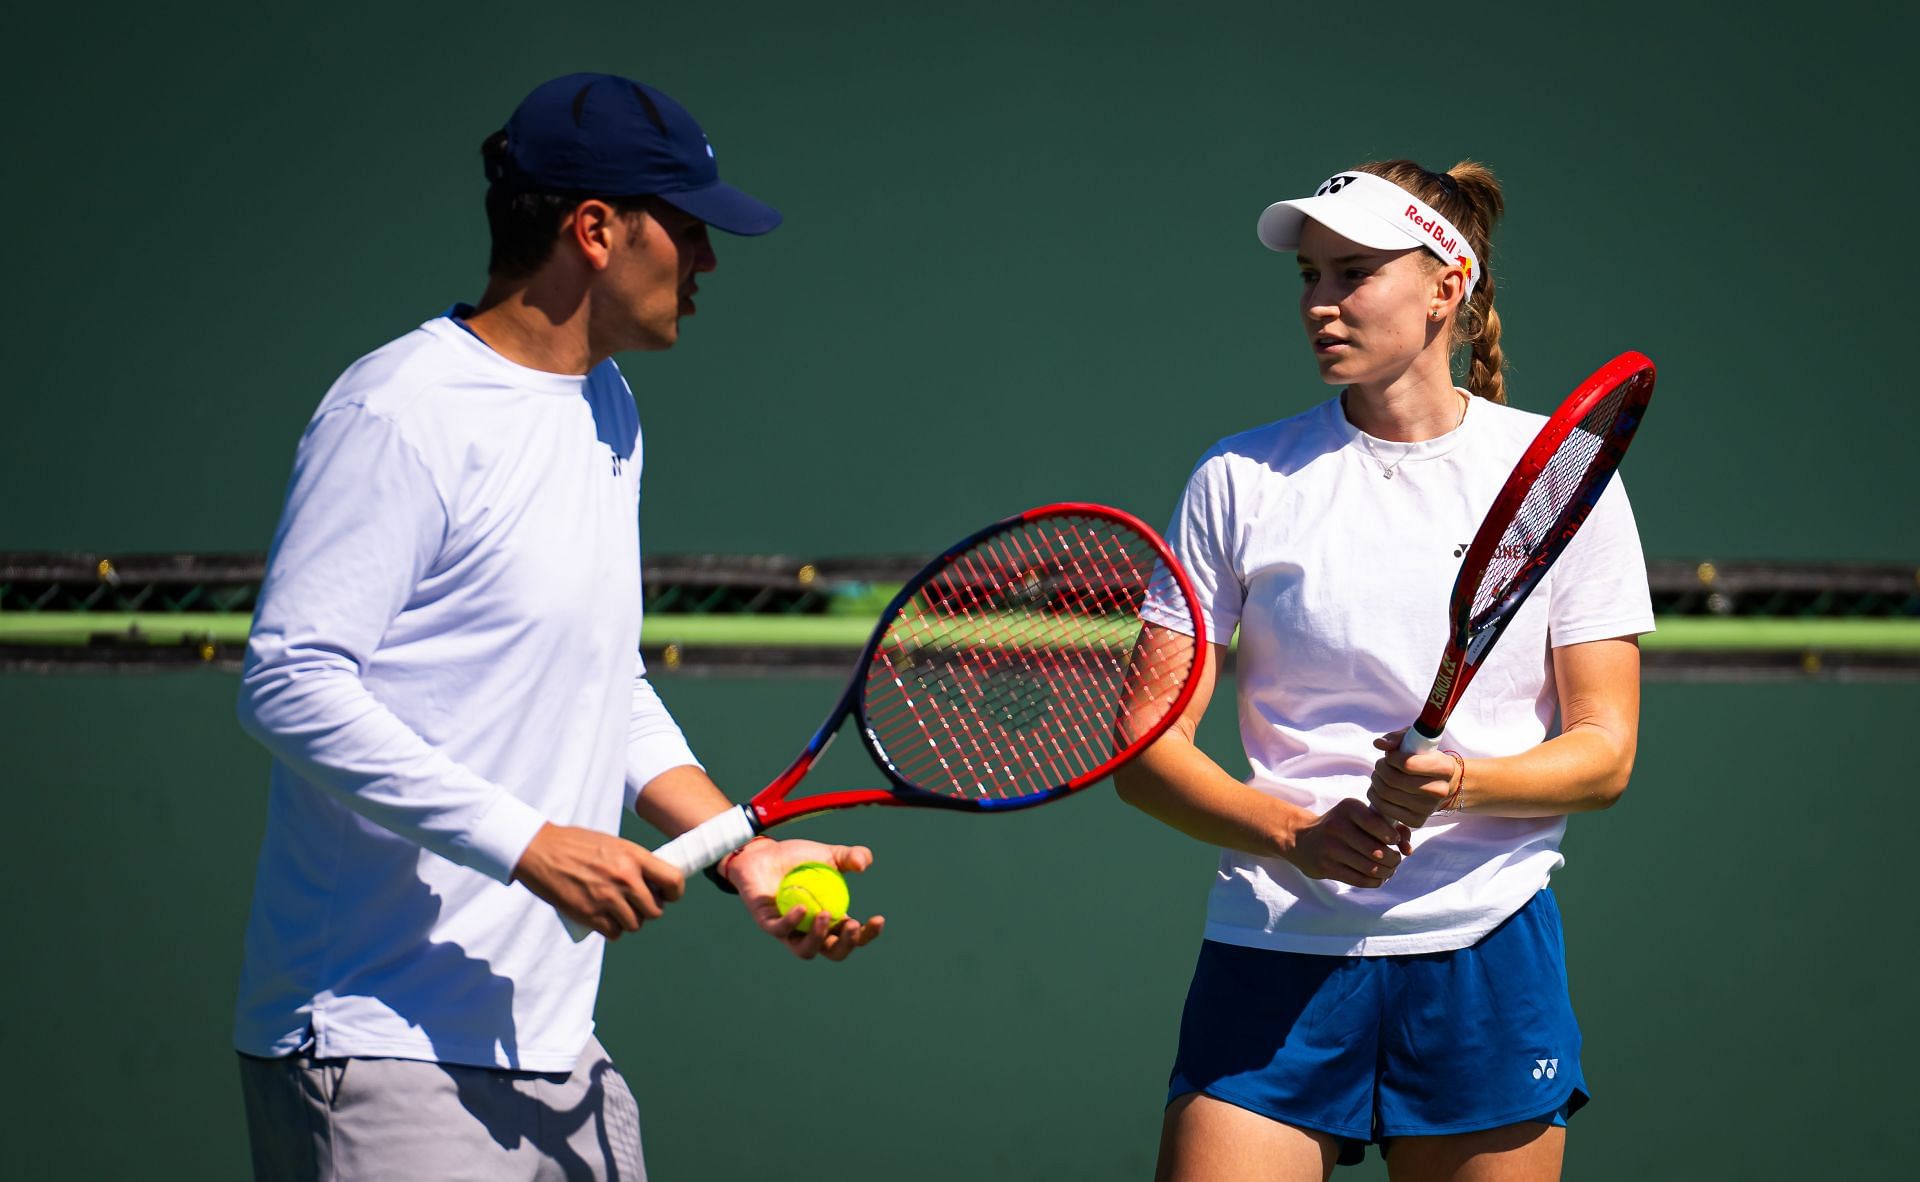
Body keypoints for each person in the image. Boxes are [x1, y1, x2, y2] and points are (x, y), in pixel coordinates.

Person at [231, 73, 883, 1181]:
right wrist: (530, 845)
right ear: (594, 231)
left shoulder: (608, 407)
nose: (710, 262)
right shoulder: (401, 411)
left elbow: (602, 681)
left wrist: (744, 852)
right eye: (687, 230)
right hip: (384, 1051)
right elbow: (290, 681)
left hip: (556, 1054)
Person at [1117, 160, 1652, 1182]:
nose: (1321, 303)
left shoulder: (1565, 480)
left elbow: (1605, 755)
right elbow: (1144, 751)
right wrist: (1295, 835)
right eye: (1310, 275)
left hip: (1486, 953)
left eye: (1353, 273)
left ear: (1448, 286)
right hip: (1271, 950)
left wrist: (1462, 781)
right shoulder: (1237, 479)